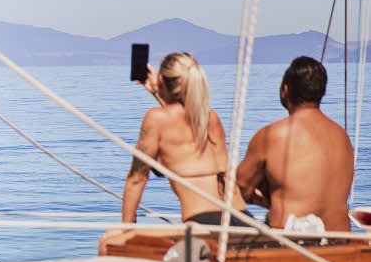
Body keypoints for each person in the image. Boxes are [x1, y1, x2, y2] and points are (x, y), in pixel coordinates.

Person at [118, 51, 245, 229]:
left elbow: (137, 179)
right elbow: (184, 125)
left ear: (161, 80)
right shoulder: (211, 118)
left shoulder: (156, 118)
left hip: (205, 224)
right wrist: (158, 93)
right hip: (242, 218)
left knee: (107, 240)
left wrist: (127, 230)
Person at [235, 56, 353, 233]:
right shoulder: (342, 137)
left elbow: (238, 188)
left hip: (291, 242)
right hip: (342, 241)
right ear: (322, 92)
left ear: (285, 90)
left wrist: (266, 196)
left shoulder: (271, 135)